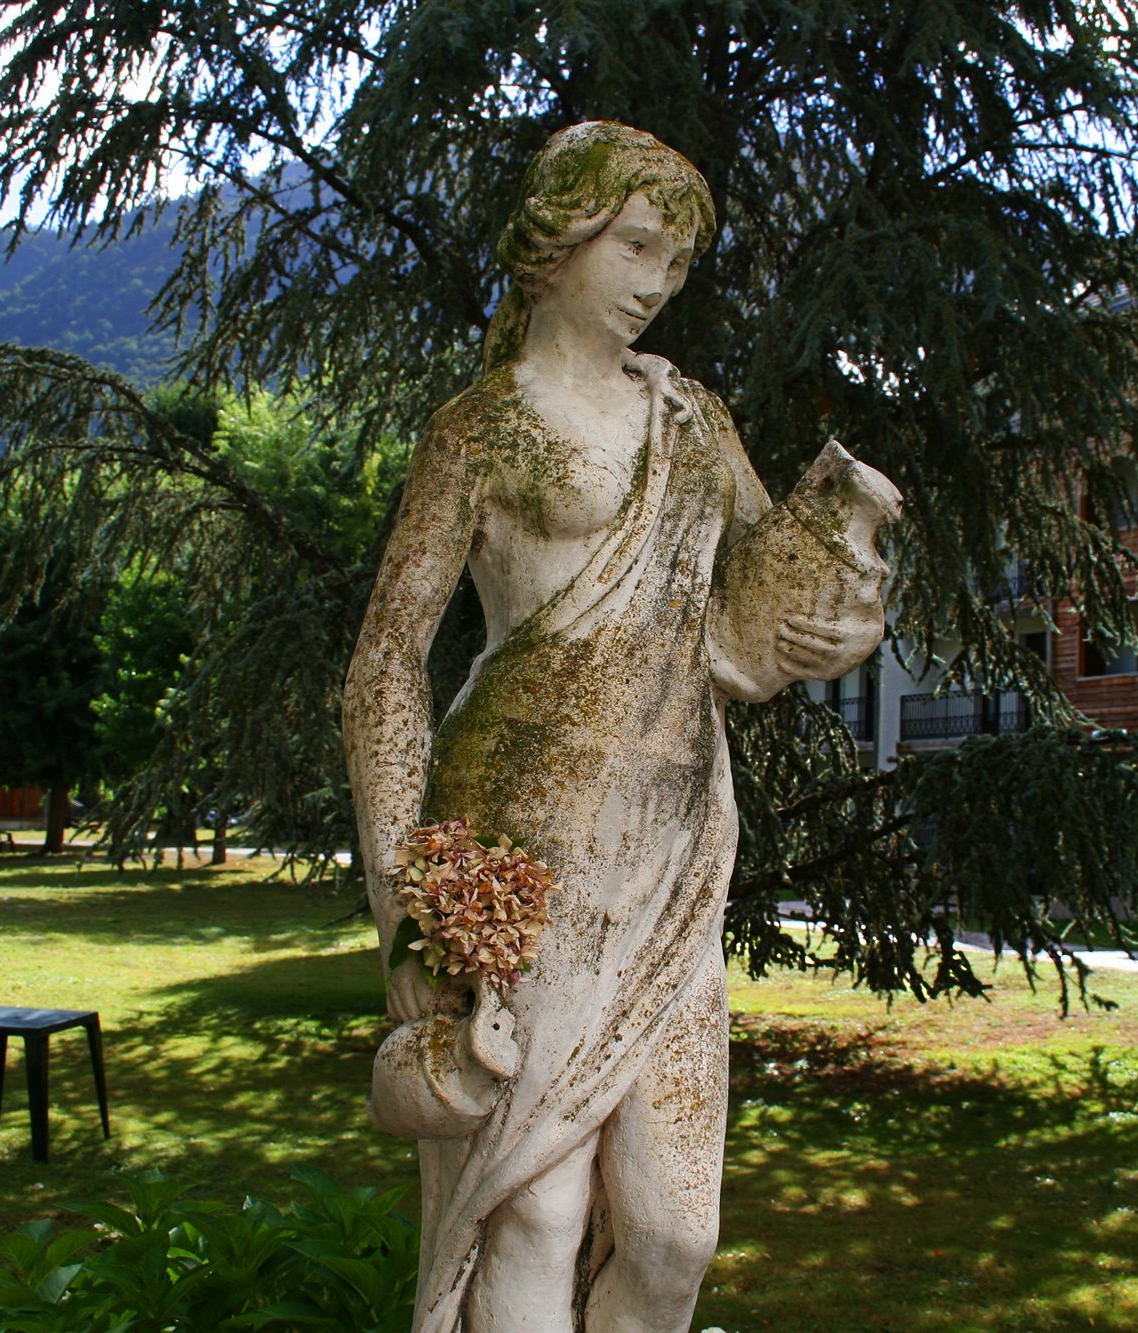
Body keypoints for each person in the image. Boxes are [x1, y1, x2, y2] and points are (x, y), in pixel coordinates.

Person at [344, 121, 881, 1332]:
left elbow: (750, 612)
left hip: (671, 847)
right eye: (635, 246)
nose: (654, 284)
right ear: (558, 237)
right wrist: (402, 892)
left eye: (675, 265)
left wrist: (837, 623)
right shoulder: (482, 427)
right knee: (530, 1210)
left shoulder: (692, 419)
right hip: (516, 858)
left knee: (674, 1228)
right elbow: (384, 661)